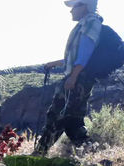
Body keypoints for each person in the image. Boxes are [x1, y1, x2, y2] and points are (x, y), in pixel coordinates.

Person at [34, 0, 102, 156]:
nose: (71, 11)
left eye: (74, 7)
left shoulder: (91, 22)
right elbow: (78, 57)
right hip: (77, 77)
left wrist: (74, 76)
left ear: (84, 6)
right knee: (66, 118)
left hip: (79, 79)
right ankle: (89, 156)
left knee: (63, 117)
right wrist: (55, 63)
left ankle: (40, 153)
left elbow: (86, 53)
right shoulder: (85, 24)